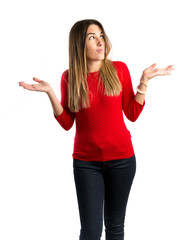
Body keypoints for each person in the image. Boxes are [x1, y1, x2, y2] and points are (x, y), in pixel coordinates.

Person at [19, 19, 174, 240]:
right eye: (92, 37)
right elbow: (66, 123)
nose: (100, 42)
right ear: (79, 45)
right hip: (86, 163)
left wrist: (144, 81)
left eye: (101, 36)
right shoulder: (69, 77)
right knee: (91, 232)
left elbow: (132, 113)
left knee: (114, 227)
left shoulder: (118, 69)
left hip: (122, 160)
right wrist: (50, 93)